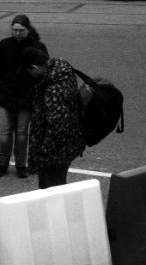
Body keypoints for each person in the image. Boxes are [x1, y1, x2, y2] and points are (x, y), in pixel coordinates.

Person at [0, 14, 48, 178]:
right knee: (5, 134)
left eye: (21, 30)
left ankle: (21, 165)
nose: (17, 33)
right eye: (14, 30)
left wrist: (40, 98)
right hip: (5, 97)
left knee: (22, 134)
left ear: (28, 30)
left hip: (27, 99)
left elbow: (44, 73)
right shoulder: (4, 45)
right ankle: (2, 164)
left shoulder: (39, 46)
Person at [20, 47, 86, 189]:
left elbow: (58, 125)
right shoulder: (60, 71)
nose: (30, 76)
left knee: (52, 191)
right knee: (54, 188)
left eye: (29, 71)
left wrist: (44, 153)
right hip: (65, 148)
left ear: (34, 67)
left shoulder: (53, 89)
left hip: (55, 155)